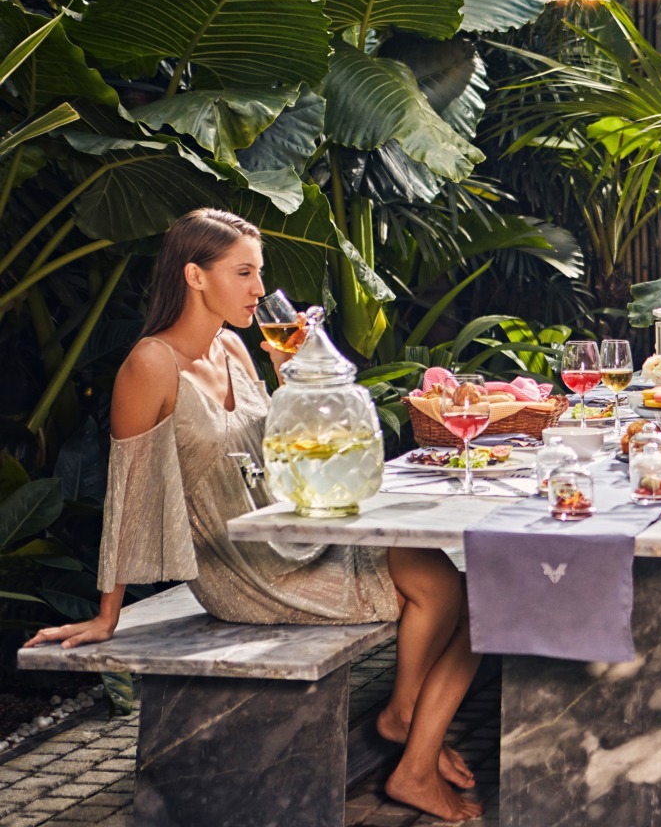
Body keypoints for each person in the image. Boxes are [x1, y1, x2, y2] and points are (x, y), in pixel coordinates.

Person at [24, 210, 483, 823]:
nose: (259, 291)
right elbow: (128, 490)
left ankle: (407, 723)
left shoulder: (235, 347)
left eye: (258, 274)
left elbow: (284, 449)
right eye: (243, 273)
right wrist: (108, 614)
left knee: (466, 588)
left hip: (287, 538)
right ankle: (414, 758)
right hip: (237, 567)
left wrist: (290, 381)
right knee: (462, 598)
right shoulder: (151, 365)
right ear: (194, 275)